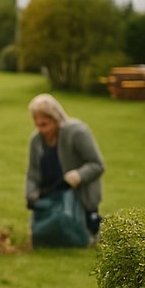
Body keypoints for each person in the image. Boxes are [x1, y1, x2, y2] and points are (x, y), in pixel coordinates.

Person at [25, 93, 105, 240]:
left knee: (82, 235)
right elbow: (32, 173)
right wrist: (31, 195)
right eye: (37, 124)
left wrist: (78, 176)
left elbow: (97, 165)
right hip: (50, 194)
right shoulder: (36, 141)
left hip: (78, 194)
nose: (41, 130)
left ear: (56, 120)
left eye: (45, 125)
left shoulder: (77, 132)